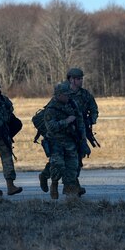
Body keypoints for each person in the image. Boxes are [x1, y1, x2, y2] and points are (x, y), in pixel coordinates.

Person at [39, 67, 98, 196]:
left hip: (74, 135)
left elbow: (91, 111)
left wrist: (88, 128)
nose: (81, 81)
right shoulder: (55, 103)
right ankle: (50, 179)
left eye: (82, 78)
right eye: (78, 79)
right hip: (58, 138)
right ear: (71, 79)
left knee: (74, 162)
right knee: (58, 163)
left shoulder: (83, 95)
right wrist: (66, 121)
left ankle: (70, 188)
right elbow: (50, 123)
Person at [42, 82, 85, 200]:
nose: (68, 97)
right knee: (58, 164)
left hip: (70, 141)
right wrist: (66, 121)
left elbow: (80, 121)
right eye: (66, 95)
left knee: (73, 166)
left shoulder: (72, 104)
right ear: (59, 95)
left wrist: (83, 140)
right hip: (55, 141)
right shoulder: (51, 108)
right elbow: (51, 127)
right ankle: (54, 184)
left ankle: (70, 192)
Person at [0, 79, 23, 195]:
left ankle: (10, 186)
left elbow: (10, 108)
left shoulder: (3, 99)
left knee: (7, 158)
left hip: (3, 133)